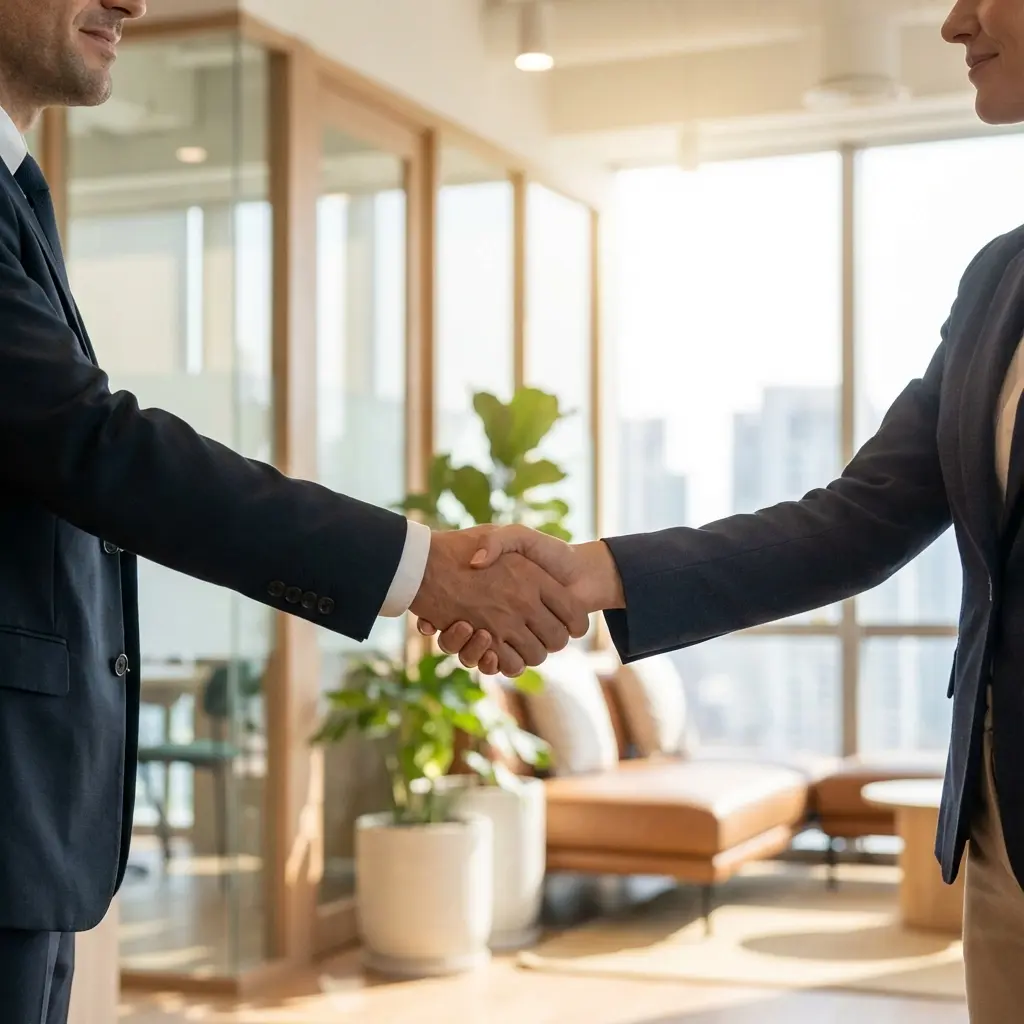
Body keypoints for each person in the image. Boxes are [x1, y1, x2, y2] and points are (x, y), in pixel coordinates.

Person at [420, 2, 1024, 1019]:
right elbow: (858, 519)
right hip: (1002, 832)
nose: (955, 21)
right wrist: (588, 572)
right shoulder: (997, 279)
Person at [0, 1, 587, 1017]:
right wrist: (421, 570)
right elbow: (91, 446)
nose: (133, 1)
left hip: (29, 828)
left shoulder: (17, 189)